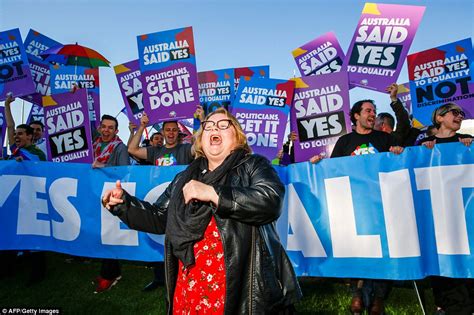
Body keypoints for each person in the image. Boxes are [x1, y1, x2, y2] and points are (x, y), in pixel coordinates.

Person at [102, 108, 302, 313]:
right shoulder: (184, 178)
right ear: (201, 139)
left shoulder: (253, 165)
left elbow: (270, 200)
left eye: (223, 125)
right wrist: (123, 204)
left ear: (238, 137)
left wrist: (214, 194)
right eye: (208, 126)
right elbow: (159, 217)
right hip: (190, 286)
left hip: (238, 288)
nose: (215, 128)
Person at [331, 99, 403, 315]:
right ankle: (357, 293)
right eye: (368, 111)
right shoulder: (345, 141)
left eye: (374, 111)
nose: (373, 114)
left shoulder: (384, 138)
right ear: (356, 116)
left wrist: (399, 151)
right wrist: (317, 163)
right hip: (355, 204)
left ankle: (379, 297)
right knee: (357, 249)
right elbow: (332, 169)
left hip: (383, 204)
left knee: (384, 250)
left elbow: (399, 163)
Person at [420, 103, 473, 314]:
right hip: (436, 217)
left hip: (464, 215)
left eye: (461, 113)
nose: (459, 116)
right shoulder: (423, 145)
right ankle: (445, 305)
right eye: (454, 112)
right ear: (439, 118)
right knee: (441, 259)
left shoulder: (467, 142)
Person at [92, 114, 130, 293]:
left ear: (116, 131)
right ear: (99, 128)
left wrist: (102, 167)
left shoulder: (120, 147)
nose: (106, 130)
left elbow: (124, 172)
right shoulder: (94, 145)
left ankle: (109, 275)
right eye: (103, 126)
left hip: (110, 196)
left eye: (110, 127)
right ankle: (111, 271)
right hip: (92, 192)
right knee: (100, 234)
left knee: (108, 234)